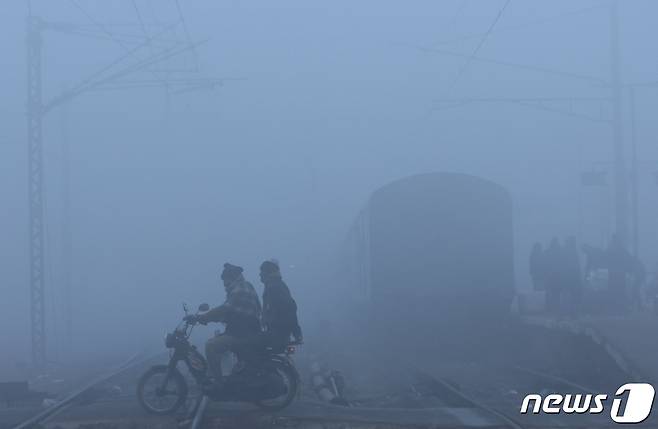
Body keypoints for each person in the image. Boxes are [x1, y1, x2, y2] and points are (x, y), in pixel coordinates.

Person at [188, 263, 261, 383]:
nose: (224, 284)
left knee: (211, 346)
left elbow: (224, 309)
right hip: (246, 330)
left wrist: (203, 317)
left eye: (225, 280)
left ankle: (219, 383)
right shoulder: (246, 286)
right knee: (218, 339)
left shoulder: (240, 289)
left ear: (231, 277)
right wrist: (208, 318)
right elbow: (230, 313)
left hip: (242, 334)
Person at [259, 260, 303, 350]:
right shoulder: (276, 285)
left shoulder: (274, 288)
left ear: (267, 273)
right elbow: (291, 309)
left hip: (277, 334)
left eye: (261, 272)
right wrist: (296, 332)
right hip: (279, 333)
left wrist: (296, 333)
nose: (259, 275)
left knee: (249, 343)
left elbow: (289, 310)